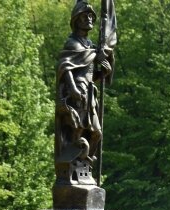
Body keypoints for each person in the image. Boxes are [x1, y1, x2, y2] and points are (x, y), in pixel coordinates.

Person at [54, 0, 114, 182]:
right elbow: (65, 68)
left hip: (89, 92)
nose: (89, 19)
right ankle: (72, 173)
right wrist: (72, 88)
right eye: (85, 16)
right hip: (78, 92)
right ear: (76, 20)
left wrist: (103, 71)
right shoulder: (73, 44)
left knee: (96, 133)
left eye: (91, 16)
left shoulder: (90, 45)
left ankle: (84, 164)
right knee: (77, 132)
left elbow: (91, 75)